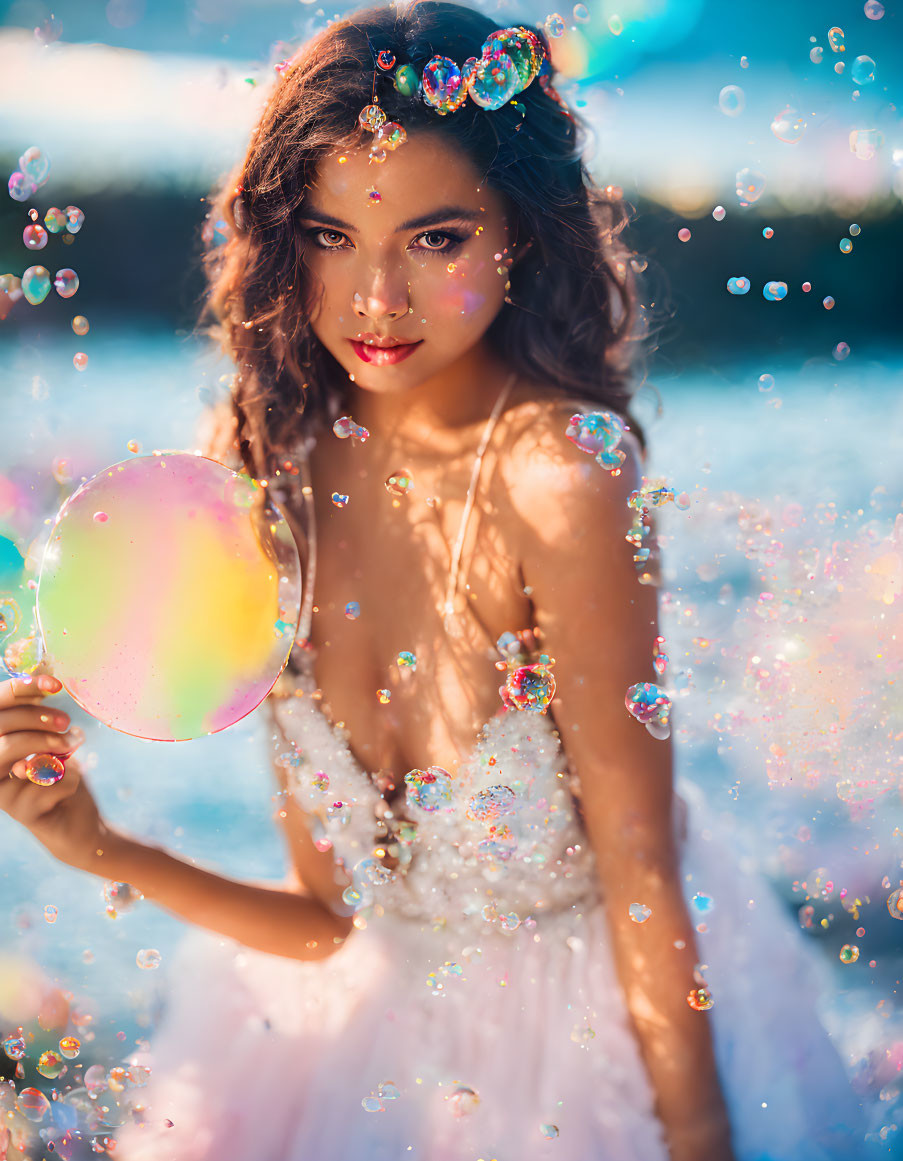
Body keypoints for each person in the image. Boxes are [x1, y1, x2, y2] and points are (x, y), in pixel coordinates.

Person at [0, 3, 871, 1158]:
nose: (376, 300)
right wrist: (94, 843)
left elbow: (641, 876)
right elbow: (324, 923)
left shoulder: (560, 483)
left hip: (596, 1044)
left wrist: (699, 1140)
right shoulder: (265, 463)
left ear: (524, 233)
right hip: (374, 1059)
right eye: (330, 235)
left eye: (437, 238)